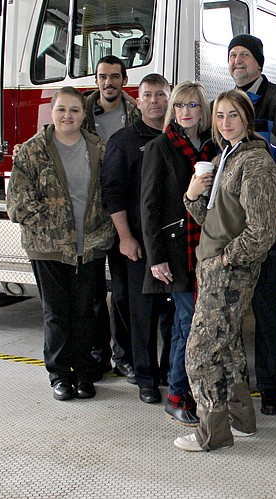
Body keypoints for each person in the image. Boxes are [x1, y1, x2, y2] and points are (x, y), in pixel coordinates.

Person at [174, 89, 276, 452]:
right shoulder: (226, 157)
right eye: (219, 116)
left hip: (228, 271)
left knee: (201, 352)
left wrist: (227, 258)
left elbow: (265, 228)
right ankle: (240, 421)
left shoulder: (255, 163)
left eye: (232, 115)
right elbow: (215, 222)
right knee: (228, 347)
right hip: (214, 265)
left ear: (247, 119)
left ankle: (212, 433)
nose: (225, 123)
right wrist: (192, 197)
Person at [7, 87, 115, 401]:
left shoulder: (98, 149)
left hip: (90, 246)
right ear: (51, 112)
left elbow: (110, 194)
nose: (68, 116)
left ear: (84, 115)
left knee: (84, 313)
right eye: (62, 109)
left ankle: (83, 373)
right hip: (48, 247)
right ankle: (59, 375)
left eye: (75, 110)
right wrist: (58, 230)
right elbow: (18, 205)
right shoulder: (31, 151)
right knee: (56, 313)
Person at [228, 34, 276, 415]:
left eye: (244, 55)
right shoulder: (227, 104)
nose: (237, 61)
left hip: (272, 228)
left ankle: (271, 388)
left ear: (259, 62)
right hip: (234, 230)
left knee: (268, 309)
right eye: (233, 56)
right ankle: (236, 382)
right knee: (231, 309)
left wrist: (267, 212)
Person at [142, 80, 217, 426]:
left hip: (211, 248)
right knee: (187, 323)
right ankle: (176, 393)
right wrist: (155, 257)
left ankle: (200, 389)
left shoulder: (215, 147)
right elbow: (149, 206)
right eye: (181, 106)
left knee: (203, 324)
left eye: (193, 106)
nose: (186, 112)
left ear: (204, 111)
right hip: (177, 251)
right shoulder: (160, 147)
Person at [102, 73, 175, 405]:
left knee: (173, 315)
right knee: (142, 314)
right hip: (138, 246)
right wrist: (126, 238)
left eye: (161, 95)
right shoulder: (122, 141)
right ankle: (146, 378)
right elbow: (112, 195)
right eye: (148, 95)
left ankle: (169, 373)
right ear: (139, 99)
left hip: (174, 242)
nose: (155, 101)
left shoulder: (182, 137)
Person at [84, 54, 141, 382]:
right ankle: (98, 356)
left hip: (123, 216)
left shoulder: (135, 113)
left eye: (115, 76)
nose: (109, 82)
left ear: (124, 79)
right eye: (103, 77)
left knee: (122, 293)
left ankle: (125, 357)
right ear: (96, 80)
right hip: (91, 217)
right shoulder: (80, 112)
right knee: (91, 294)